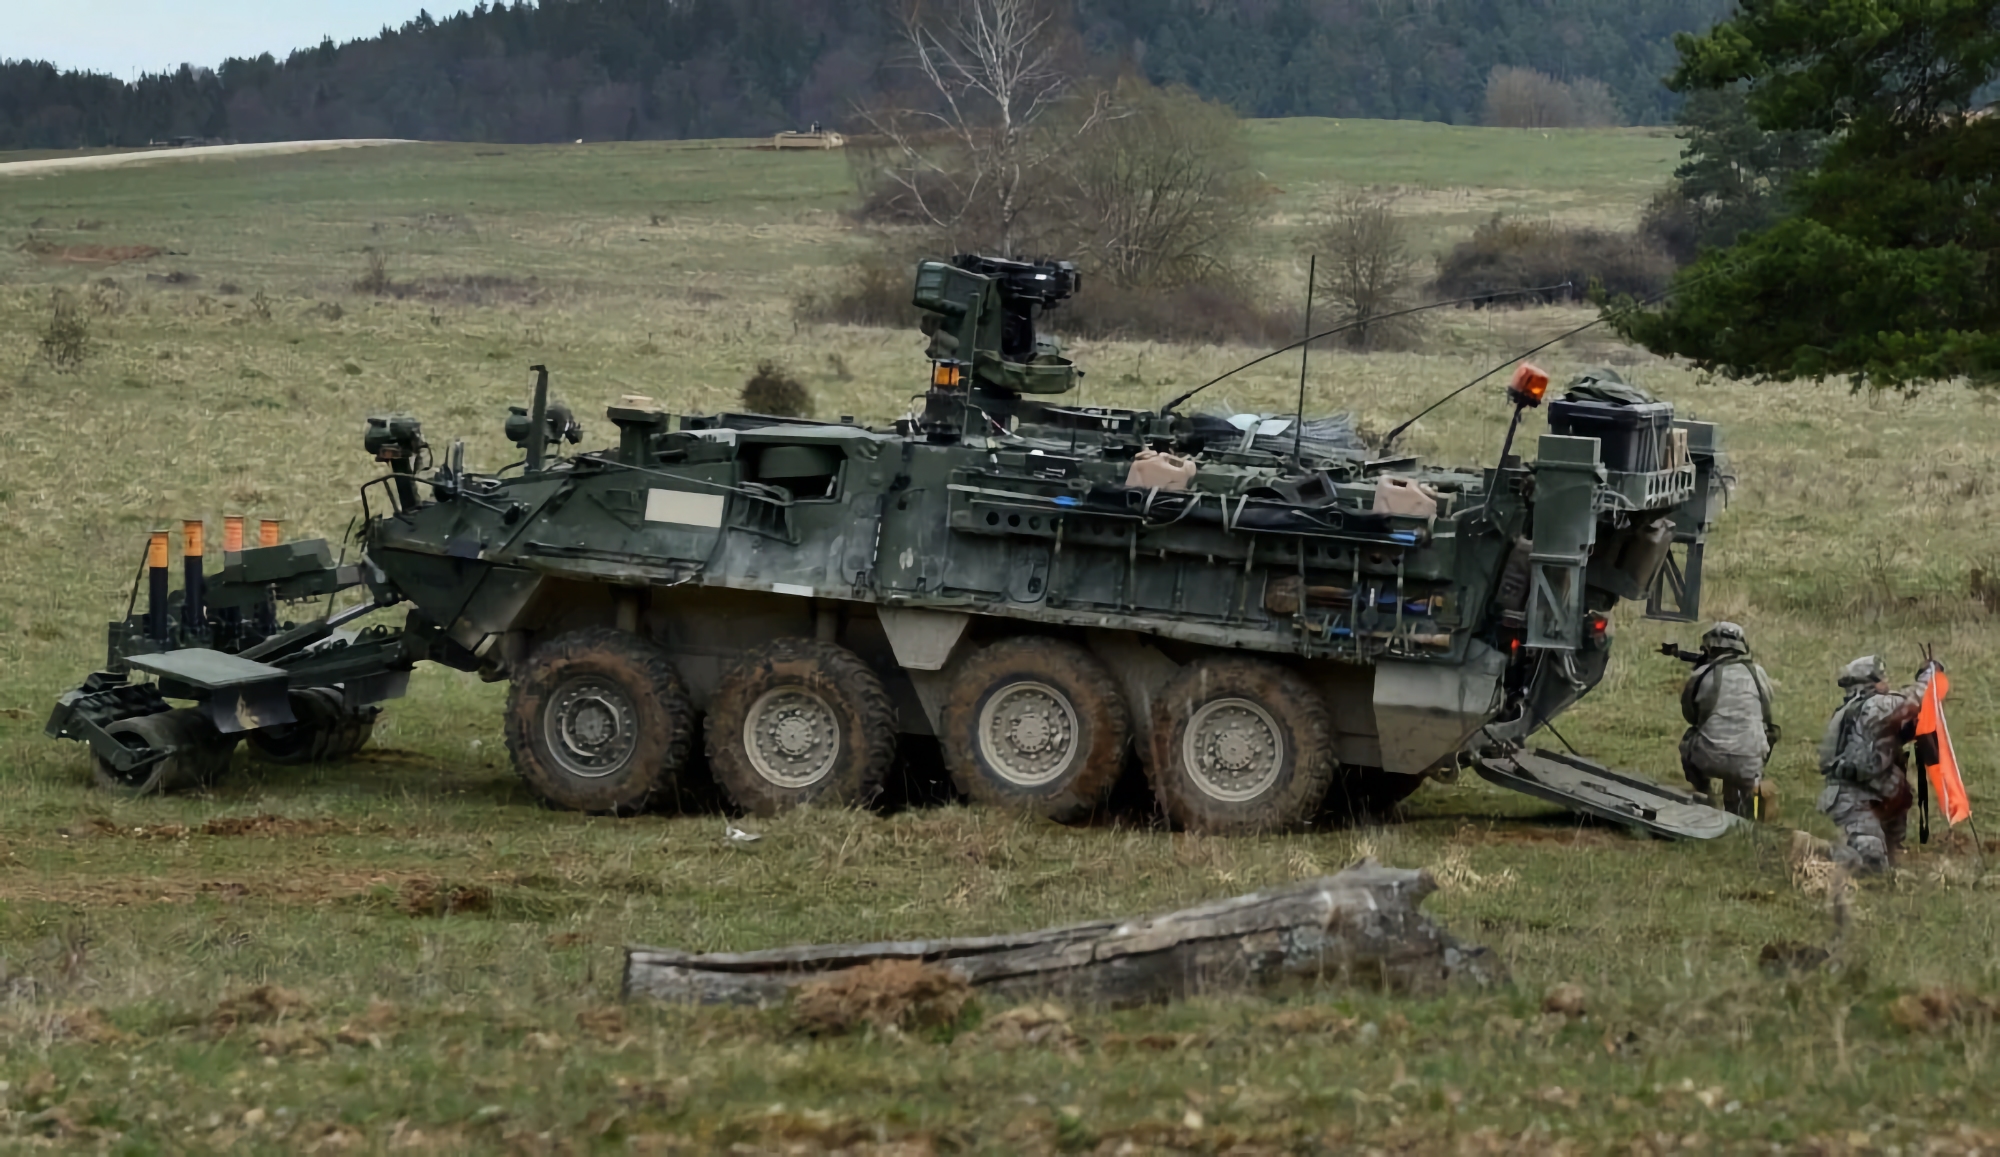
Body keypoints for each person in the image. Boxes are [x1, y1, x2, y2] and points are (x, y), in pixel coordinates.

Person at [1817, 655, 1940, 874]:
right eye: (1882, 677)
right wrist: (1931, 674)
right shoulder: (1874, 706)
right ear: (1870, 682)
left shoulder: (1855, 710)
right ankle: (1820, 859)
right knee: (1870, 861)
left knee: (1885, 857)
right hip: (1854, 801)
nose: (1887, 682)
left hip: (1868, 795)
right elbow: (1917, 699)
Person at [1678, 622, 1778, 817]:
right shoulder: (1759, 673)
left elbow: (1691, 716)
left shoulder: (1701, 674)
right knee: (1750, 747)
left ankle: (1705, 794)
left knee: (1689, 740)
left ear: (1710, 646)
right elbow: (1766, 712)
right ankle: (1744, 807)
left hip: (1709, 758)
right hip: (1750, 762)